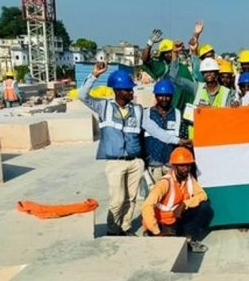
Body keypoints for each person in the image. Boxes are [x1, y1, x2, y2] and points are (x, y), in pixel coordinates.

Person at [79, 62, 182, 236]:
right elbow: (82, 95)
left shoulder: (138, 111)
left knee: (131, 199)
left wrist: (179, 140)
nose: (132, 92)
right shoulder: (104, 107)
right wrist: (94, 75)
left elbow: (156, 131)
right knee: (117, 200)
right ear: (118, 91)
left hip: (135, 162)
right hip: (115, 163)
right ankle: (113, 229)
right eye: (128, 90)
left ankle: (125, 228)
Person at [141, 147, 213, 252]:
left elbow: (202, 195)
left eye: (188, 165)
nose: (186, 168)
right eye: (182, 165)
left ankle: (189, 240)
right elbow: (147, 206)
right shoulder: (165, 182)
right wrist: (157, 232)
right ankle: (153, 235)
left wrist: (184, 204)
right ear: (174, 166)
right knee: (167, 250)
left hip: (176, 219)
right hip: (161, 223)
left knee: (205, 207)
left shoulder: (188, 178)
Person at [144, 79, 192, 181]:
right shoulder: (146, 114)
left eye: (167, 96)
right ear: (156, 96)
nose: (164, 99)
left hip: (172, 166)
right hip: (153, 166)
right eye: (161, 95)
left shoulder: (178, 114)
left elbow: (183, 139)